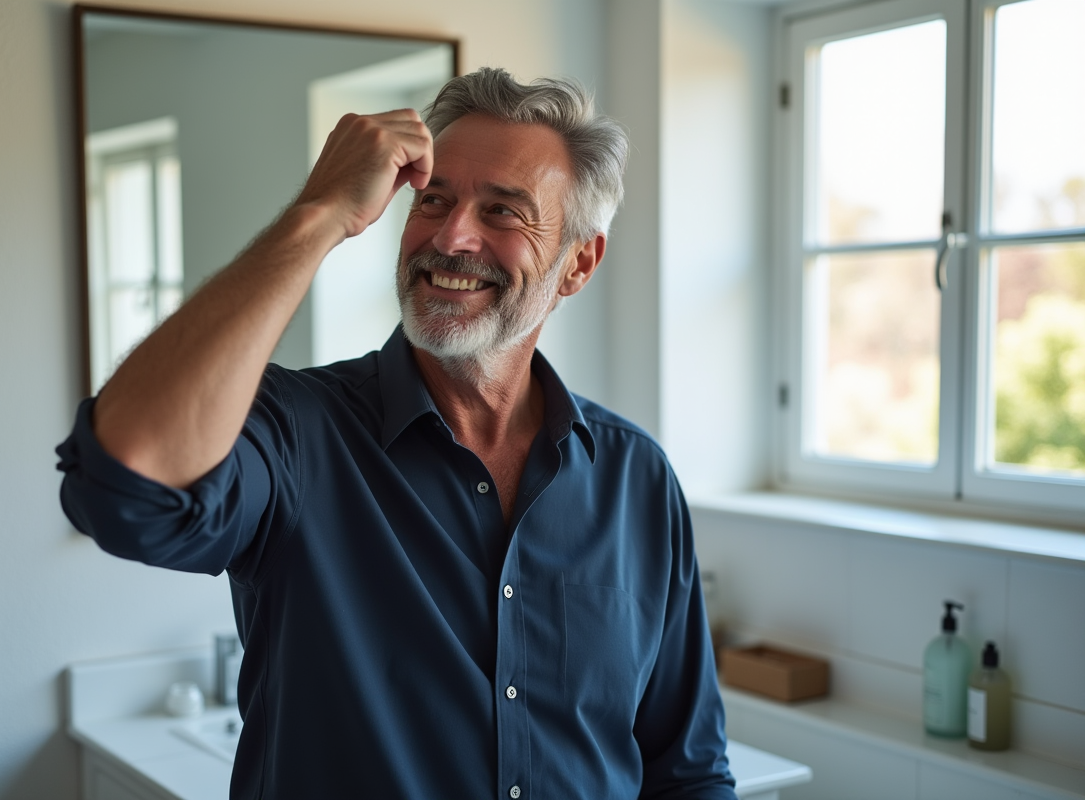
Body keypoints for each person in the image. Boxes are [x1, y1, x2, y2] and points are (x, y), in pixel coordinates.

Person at [57, 67, 735, 800]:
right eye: (433, 200)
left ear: (578, 263)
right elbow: (126, 486)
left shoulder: (636, 477)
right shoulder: (297, 433)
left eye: (503, 212)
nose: (451, 235)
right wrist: (319, 213)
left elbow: (686, 770)